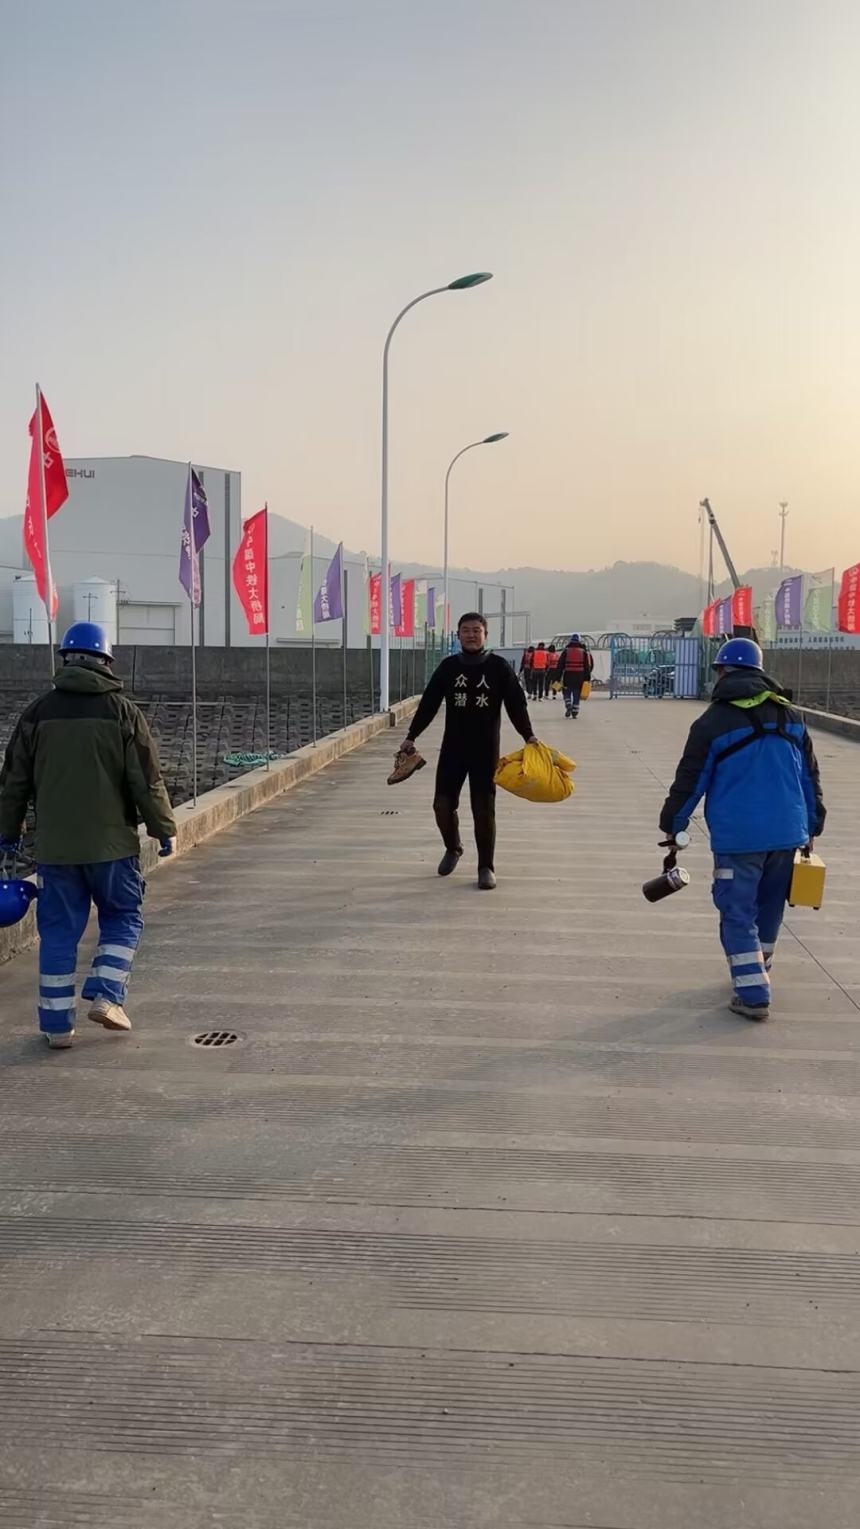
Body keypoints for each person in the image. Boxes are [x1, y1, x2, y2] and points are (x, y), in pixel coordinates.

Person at [0, 622, 177, 1049]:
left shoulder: (37, 714)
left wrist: (7, 835)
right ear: (106, 661)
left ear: (65, 659)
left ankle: (57, 1026)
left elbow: (13, 784)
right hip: (112, 847)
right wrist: (163, 828)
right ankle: (106, 995)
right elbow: (146, 780)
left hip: (56, 851)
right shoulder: (122, 712)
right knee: (123, 916)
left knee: (59, 932)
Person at [658, 637, 825, 1021]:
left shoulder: (712, 721)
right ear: (760, 671)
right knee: (769, 905)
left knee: (736, 910)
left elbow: (691, 781)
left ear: (721, 671)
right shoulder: (790, 715)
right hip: (788, 833)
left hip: (739, 838)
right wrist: (814, 822)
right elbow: (809, 776)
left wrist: (673, 825)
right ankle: (759, 967)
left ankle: (752, 993)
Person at [399, 612, 537, 890]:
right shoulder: (449, 667)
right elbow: (429, 703)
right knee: (442, 805)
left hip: (485, 751)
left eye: (476, 630)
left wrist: (529, 736)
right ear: (458, 635)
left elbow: (515, 705)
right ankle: (453, 847)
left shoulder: (498, 667)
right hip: (453, 748)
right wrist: (411, 736)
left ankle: (486, 866)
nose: (471, 635)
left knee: (483, 809)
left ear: (485, 635)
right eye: (465, 630)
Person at [559, 633, 593, 718]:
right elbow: (586, 666)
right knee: (577, 693)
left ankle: (568, 704)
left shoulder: (566, 651)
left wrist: (557, 677)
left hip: (568, 675)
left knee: (566, 691)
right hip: (579, 675)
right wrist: (587, 677)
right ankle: (575, 711)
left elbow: (560, 665)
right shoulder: (583, 652)